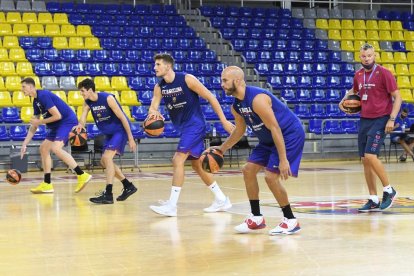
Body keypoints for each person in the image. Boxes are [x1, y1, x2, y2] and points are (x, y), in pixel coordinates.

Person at [218, 66, 304, 235]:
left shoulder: (258, 99)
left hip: (288, 134)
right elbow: (239, 130)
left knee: (271, 176)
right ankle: (256, 218)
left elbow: (275, 127)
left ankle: (290, 220)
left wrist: (283, 159)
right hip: (268, 139)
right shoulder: (236, 106)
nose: (222, 84)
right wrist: (222, 149)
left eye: (225, 80)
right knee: (248, 170)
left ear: (237, 81)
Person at [148, 53, 234, 217]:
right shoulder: (159, 87)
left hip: (195, 125)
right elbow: (154, 106)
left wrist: (223, 121)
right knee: (197, 165)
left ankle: (172, 206)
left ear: (168, 66)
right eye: (155, 64)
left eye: (158, 64)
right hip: (183, 127)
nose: (155, 67)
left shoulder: (187, 79)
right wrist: (153, 115)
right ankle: (222, 199)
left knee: (177, 159)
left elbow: (211, 97)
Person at [339, 43, 402, 212]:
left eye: (369, 56)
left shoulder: (384, 73)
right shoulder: (358, 74)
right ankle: (373, 198)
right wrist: (343, 99)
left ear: (374, 56)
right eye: (363, 56)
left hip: (381, 118)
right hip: (365, 119)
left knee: (370, 155)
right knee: (365, 160)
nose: (366, 58)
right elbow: (355, 90)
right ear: (360, 57)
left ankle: (389, 189)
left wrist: (391, 119)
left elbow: (398, 97)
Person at [20, 77, 92, 193]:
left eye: (23, 87)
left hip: (66, 121)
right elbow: (34, 126)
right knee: (43, 148)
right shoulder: (35, 102)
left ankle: (82, 174)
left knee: (56, 148)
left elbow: (57, 116)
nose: (22, 90)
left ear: (31, 87)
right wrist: (24, 144)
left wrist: (40, 122)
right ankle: (47, 184)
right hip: (55, 125)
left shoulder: (43, 95)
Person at [77, 79, 137, 204]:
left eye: (82, 91)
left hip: (120, 131)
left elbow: (123, 117)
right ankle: (128, 186)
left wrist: (131, 138)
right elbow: (82, 118)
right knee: (103, 161)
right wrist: (80, 126)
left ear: (89, 89)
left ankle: (108, 194)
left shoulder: (108, 98)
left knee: (107, 158)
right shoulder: (87, 102)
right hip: (109, 133)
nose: (81, 94)